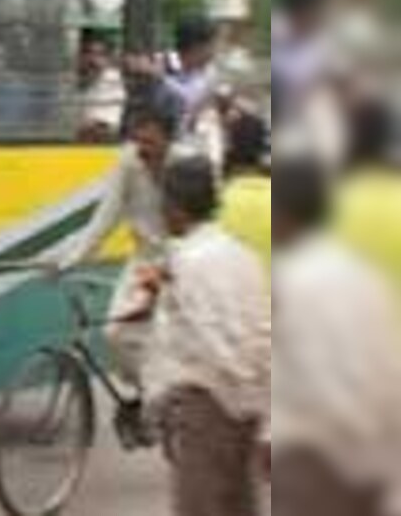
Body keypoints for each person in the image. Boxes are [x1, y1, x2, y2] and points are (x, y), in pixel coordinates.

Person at [126, 155, 271, 516]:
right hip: (248, 410)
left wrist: (161, 402)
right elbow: (262, 330)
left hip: (210, 406)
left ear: (174, 205)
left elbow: (205, 340)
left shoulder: (189, 262)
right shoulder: (242, 255)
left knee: (200, 505)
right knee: (239, 505)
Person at [270, 156, 401, 516]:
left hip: (318, 455)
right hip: (369, 449)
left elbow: (309, 376)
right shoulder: (362, 273)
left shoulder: (294, 280)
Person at [52, 108, 175, 386]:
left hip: (182, 263)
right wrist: (74, 258)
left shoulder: (186, 164)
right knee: (115, 334)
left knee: (173, 339)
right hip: (145, 262)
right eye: (138, 140)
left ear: (169, 139)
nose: (142, 148)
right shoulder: (128, 162)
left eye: (150, 142)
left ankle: (162, 403)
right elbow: (106, 216)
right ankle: (148, 395)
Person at [165, 17, 219, 134]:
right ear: (196, 47)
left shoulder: (209, 74)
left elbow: (192, 106)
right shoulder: (163, 64)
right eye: (211, 45)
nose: (214, 51)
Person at [76, 32, 126, 142]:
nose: (92, 59)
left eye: (99, 54)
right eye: (87, 53)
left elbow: (102, 127)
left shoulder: (111, 81)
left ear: (108, 58)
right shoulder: (78, 79)